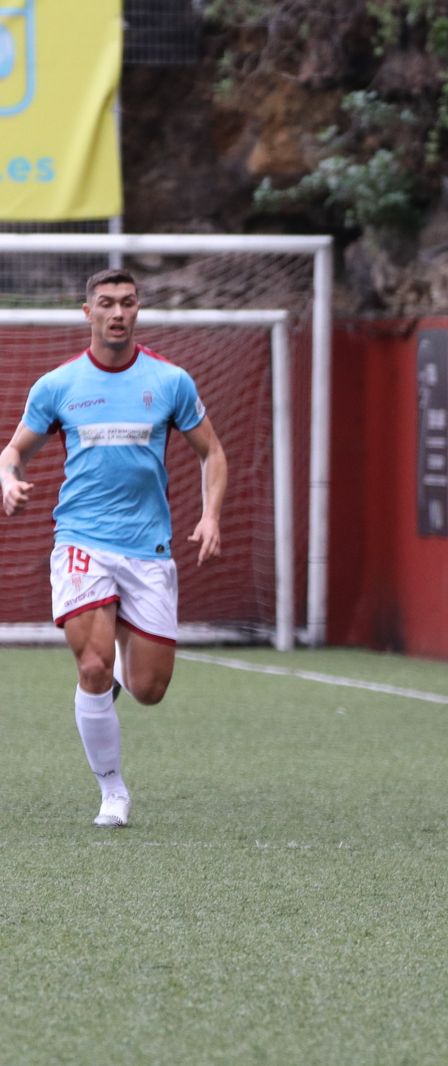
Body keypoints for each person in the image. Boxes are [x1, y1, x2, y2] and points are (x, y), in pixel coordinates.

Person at [0, 268, 228, 829]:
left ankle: (99, 695)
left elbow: (212, 453)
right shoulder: (57, 386)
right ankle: (112, 791)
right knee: (95, 663)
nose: (118, 312)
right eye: (107, 303)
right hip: (81, 540)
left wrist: (212, 516)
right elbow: (13, 452)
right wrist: (8, 479)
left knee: (149, 688)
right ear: (88, 313)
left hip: (148, 547)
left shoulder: (171, 381)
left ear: (138, 309)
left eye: (127, 302)